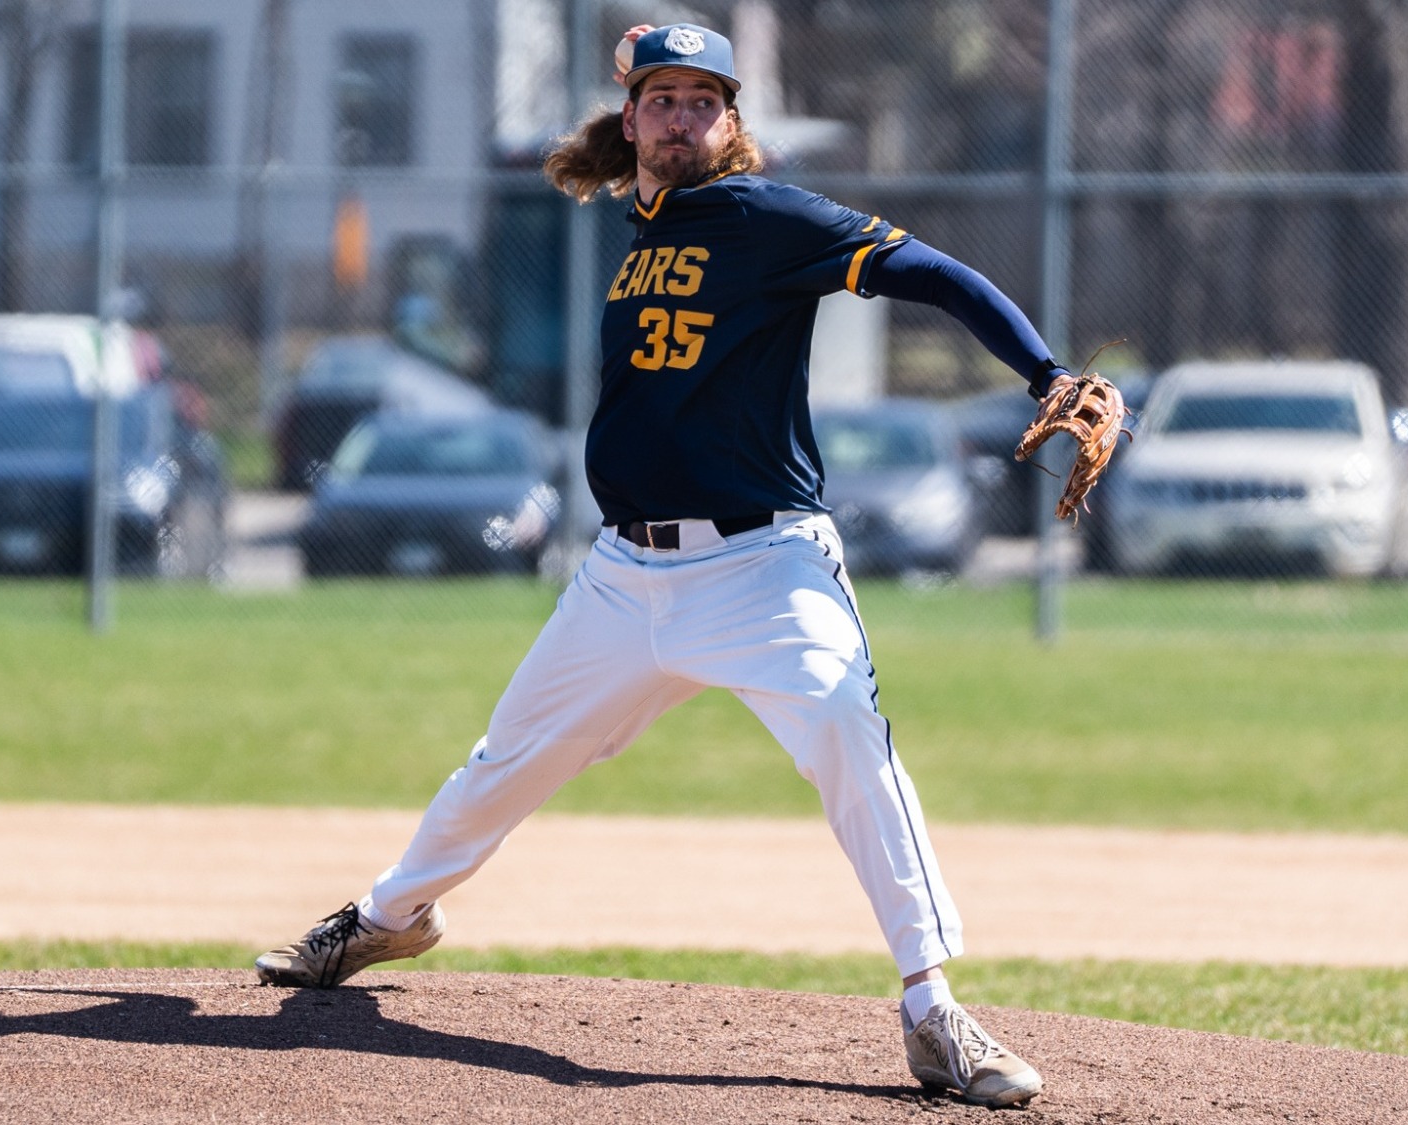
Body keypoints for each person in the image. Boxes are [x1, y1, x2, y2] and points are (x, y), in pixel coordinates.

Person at [256, 22, 1074, 1109]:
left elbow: (932, 272)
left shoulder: (769, 216)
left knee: (845, 737)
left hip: (760, 567)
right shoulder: (642, 224)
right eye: (663, 97)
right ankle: (389, 921)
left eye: (703, 99)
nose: (682, 116)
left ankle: (932, 1013)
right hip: (619, 579)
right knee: (502, 761)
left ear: (730, 120)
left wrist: (1043, 373)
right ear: (632, 114)